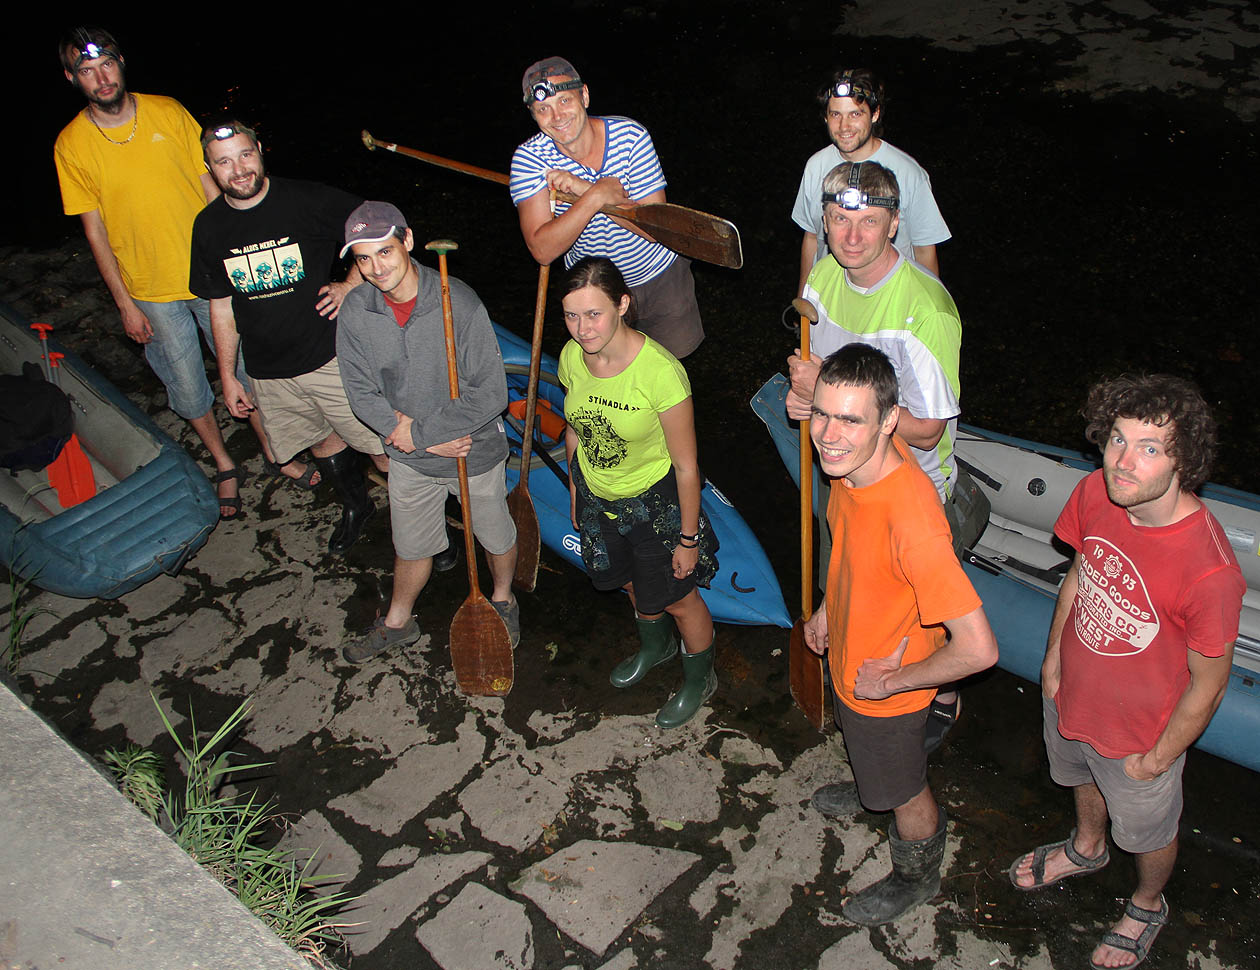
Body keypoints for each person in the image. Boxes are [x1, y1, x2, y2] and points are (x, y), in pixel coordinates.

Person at [1009, 375, 1243, 970]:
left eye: (1149, 447)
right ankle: (1087, 848)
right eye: (1117, 439)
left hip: (1141, 734)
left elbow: (1210, 684)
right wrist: (1054, 658)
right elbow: (1084, 573)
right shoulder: (1096, 493)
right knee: (1078, 778)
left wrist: (1159, 757)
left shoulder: (1209, 571)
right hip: (1070, 696)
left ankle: (1146, 903)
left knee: (1148, 836)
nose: (1123, 461)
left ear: (1183, 460)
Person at [52, 26, 286, 519]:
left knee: (248, 368)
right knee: (184, 384)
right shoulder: (71, 145)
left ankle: (273, 449)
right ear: (73, 77)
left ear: (121, 62)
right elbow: (94, 232)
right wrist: (123, 303)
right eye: (87, 70)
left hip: (211, 277)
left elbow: (209, 184)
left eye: (107, 63)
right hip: (149, 290)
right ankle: (224, 463)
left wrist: (234, 257)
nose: (101, 77)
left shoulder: (167, 110)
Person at [803, 343, 997, 925]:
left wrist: (894, 683)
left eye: (850, 420)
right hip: (852, 657)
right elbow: (847, 550)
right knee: (873, 762)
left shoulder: (913, 523)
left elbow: (980, 649)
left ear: (889, 421)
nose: (828, 436)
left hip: (888, 692)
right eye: (822, 414)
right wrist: (826, 611)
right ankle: (872, 787)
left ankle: (916, 874)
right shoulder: (852, 467)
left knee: (906, 788)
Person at [788, 159, 967, 747]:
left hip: (910, 483)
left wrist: (824, 402)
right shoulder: (821, 280)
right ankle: (856, 679)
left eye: (869, 222)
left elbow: (928, 431)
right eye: (839, 220)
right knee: (851, 585)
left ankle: (935, 700)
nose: (852, 236)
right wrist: (805, 401)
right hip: (846, 468)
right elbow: (817, 382)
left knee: (914, 613)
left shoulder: (926, 309)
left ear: (895, 225)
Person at [189, 121, 390, 556]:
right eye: (223, 162)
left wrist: (350, 284)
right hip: (269, 371)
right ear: (209, 168)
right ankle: (358, 508)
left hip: (332, 358)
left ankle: (424, 524)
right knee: (322, 442)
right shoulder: (209, 227)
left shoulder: (305, 198)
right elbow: (220, 307)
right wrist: (228, 376)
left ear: (261, 150)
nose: (238, 169)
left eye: (245, 155)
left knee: (381, 446)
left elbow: (376, 223)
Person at [336, 202, 520, 663]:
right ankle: (399, 622)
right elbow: (359, 391)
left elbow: (491, 393)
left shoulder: (457, 301)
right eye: (363, 258)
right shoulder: (357, 309)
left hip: (471, 449)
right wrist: (415, 437)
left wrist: (423, 431)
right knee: (411, 545)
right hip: (409, 455)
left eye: (385, 252)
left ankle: (503, 598)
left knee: (494, 535)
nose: (376, 267)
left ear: (408, 242)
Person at [557, 257, 718, 728]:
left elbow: (687, 466)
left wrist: (688, 539)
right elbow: (575, 430)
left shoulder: (661, 374)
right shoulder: (572, 357)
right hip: (596, 497)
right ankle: (658, 646)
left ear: (623, 304)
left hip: (654, 503)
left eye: (593, 314)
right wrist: (574, 490)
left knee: (679, 597)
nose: (582, 329)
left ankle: (699, 678)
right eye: (570, 315)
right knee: (625, 582)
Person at [510, 56, 704, 359]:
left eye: (565, 100)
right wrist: (596, 195)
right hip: (595, 290)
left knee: (669, 370)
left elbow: (657, 230)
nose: (557, 116)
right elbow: (542, 249)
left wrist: (583, 189)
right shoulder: (529, 160)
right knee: (612, 374)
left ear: (584, 96)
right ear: (532, 114)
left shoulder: (630, 137)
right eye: (543, 109)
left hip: (660, 277)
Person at [791, 68, 950, 297]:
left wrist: (925, 310)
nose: (844, 126)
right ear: (825, 117)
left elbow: (925, 251)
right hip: (832, 300)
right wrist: (804, 301)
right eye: (836, 114)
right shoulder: (815, 166)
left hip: (889, 301)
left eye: (855, 114)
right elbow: (812, 238)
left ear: (874, 114)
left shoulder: (908, 173)